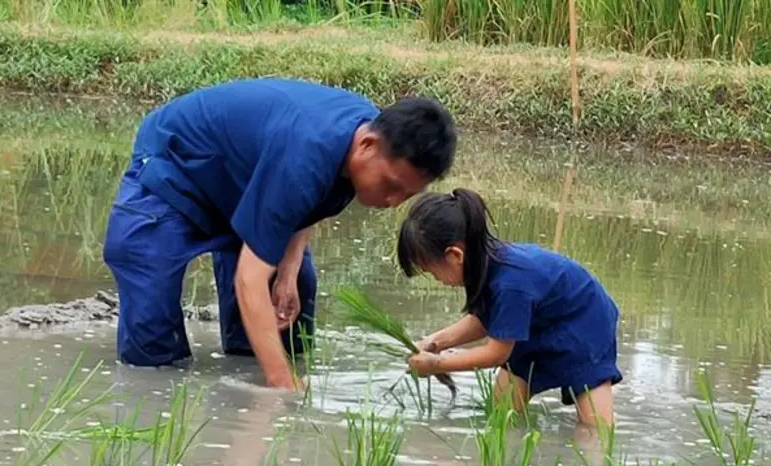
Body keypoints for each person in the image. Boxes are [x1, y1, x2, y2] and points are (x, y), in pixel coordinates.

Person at [102, 77, 457, 391]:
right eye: (390, 186)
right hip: (177, 164)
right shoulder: (308, 154)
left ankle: (250, 362)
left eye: (406, 195)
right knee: (153, 339)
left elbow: (308, 200)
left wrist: (286, 272)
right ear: (366, 146)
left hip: (247, 177)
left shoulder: (363, 139)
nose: (392, 202)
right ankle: (158, 386)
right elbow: (249, 279)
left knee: (294, 285)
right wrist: (282, 387)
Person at [396, 188, 622, 426]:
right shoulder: (486, 265)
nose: (437, 279)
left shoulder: (511, 283)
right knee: (501, 418)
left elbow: (496, 353)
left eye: (432, 272)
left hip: (585, 324)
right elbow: (484, 319)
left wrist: (436, 364)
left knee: (596, 431)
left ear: (454, 255)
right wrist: (435, 342)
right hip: (537, 325)